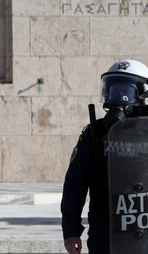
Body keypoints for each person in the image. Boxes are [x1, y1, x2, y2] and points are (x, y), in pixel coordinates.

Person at [61, 59, 148, 254]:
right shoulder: (94, 134)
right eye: (114, 91)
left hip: (143, 231)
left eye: (125, 92)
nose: (118, 97)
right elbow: (75, 184)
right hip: (104, 233)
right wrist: (70, 230)